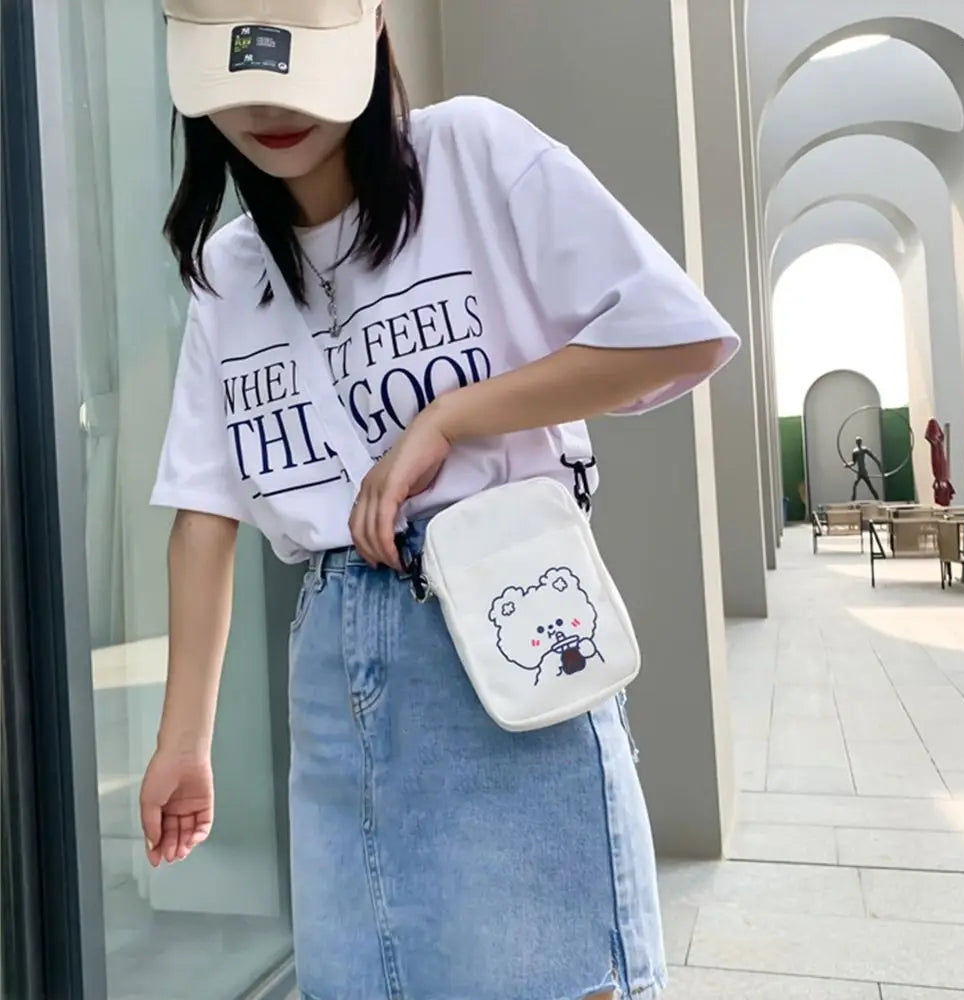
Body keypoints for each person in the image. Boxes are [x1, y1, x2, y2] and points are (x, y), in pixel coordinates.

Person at [141, 3, 739, 999]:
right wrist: (183, 743)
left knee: (555, 975)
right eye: (236, 80)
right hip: (334, 674)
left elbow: (674, 334)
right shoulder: (229, 274)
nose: (267, 108)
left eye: (294, 70)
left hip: (505, 640)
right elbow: (204, 512)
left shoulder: (470, 153)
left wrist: (451, 417)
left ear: (373, 31)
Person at [848, 435, 883, 501]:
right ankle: (853, 500)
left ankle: (877, 499)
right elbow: (853, 462)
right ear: (856, 442)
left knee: (870, 486)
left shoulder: (864, 449)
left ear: (861, 442)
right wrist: (848, 465)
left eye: (859, 441)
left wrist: (878, 462)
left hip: (863, 472)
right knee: (855, 485)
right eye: (857, 441)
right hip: (859, 472)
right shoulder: (855, 451)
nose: (858, 442)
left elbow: (872, 456)